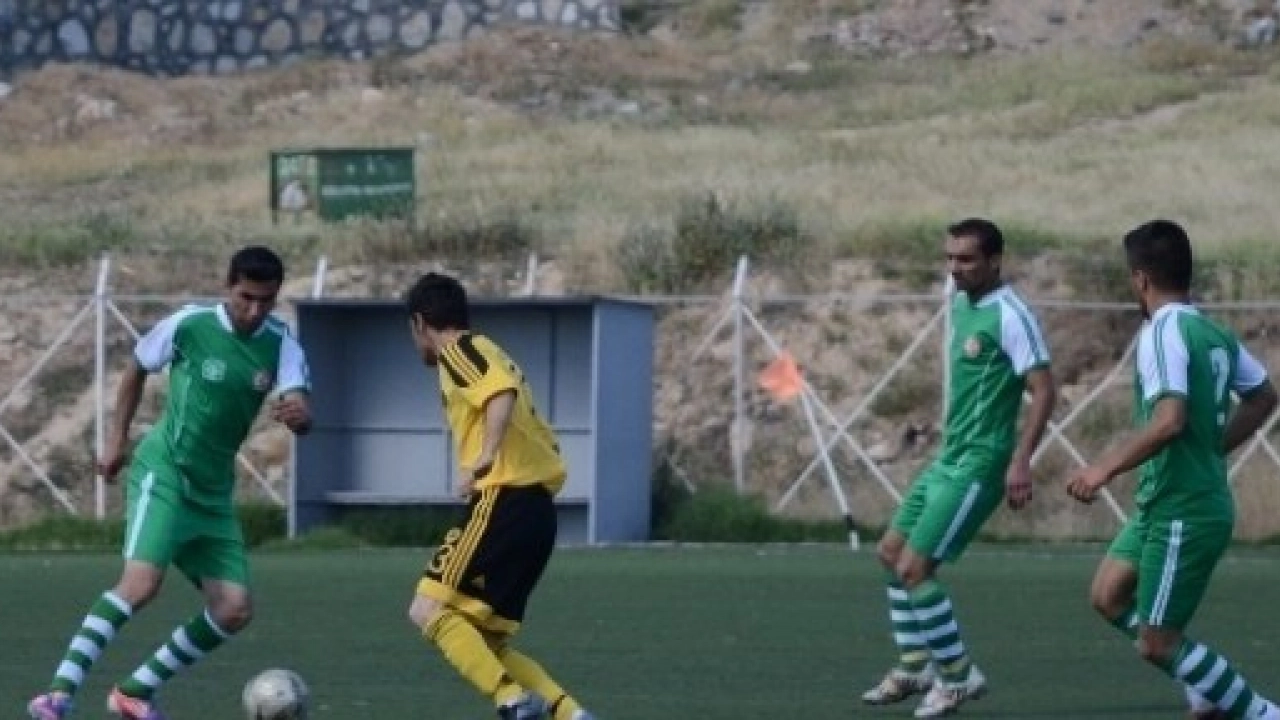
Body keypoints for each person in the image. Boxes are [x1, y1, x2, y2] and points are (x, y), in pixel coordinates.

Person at [27, 246, 312, 720]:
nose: (254, 310)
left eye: (265, 300)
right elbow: (137, 368)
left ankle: (134, 692)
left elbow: (299, 400)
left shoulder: (282, 344)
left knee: (234, 608)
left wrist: (301, 416)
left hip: (213, 492)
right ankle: (56, 695)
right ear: (228, 286)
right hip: (165, 473)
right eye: (246, 297)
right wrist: (116, 439)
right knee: (140, 584)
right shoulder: (190, 325)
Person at [1066, 220, 1280, 720]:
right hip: (1163, 503)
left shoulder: (1162, 332)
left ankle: (1262, 713)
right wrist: (1212, 448)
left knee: (1157, 642)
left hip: (1185, 509)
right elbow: (1264, 396)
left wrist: (1103, 469)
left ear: (1140, 279)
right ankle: (1205, 688)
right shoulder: (1210, 331)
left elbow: (1169, 420)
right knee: (1108, 595)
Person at [860, 218, 1057, 718]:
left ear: (994, 261)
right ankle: (915, 666)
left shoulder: (1011, 315)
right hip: (949, 456)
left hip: (980, 463)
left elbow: (1044, 390)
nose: (955, 268)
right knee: (890, 552)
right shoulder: (962, 303)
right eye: (949, 257)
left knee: (915, 568)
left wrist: (1021, 460)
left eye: (966, 259)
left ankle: (958, 676)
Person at [403, 272, 597, 720]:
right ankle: (571, 715)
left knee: (427, 608)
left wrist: (485, 456)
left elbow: (499, 394)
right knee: (486, 643)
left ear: (420, 323)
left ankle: (512, 701)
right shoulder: (489, 350)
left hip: (504, 501)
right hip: (536, 513)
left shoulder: (459, 350)